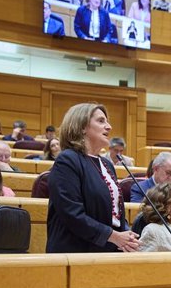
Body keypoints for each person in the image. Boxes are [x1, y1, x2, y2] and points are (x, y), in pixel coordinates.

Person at [46, 103, 139, 253]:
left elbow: (115, 211)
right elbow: (72, 214)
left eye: (107, 121)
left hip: (108, 249)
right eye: (101, 121)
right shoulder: (67, 160)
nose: (108, 127)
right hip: (76, 252)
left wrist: (126, 235)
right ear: (82, 126)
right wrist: (114, 236)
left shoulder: (107, 164)